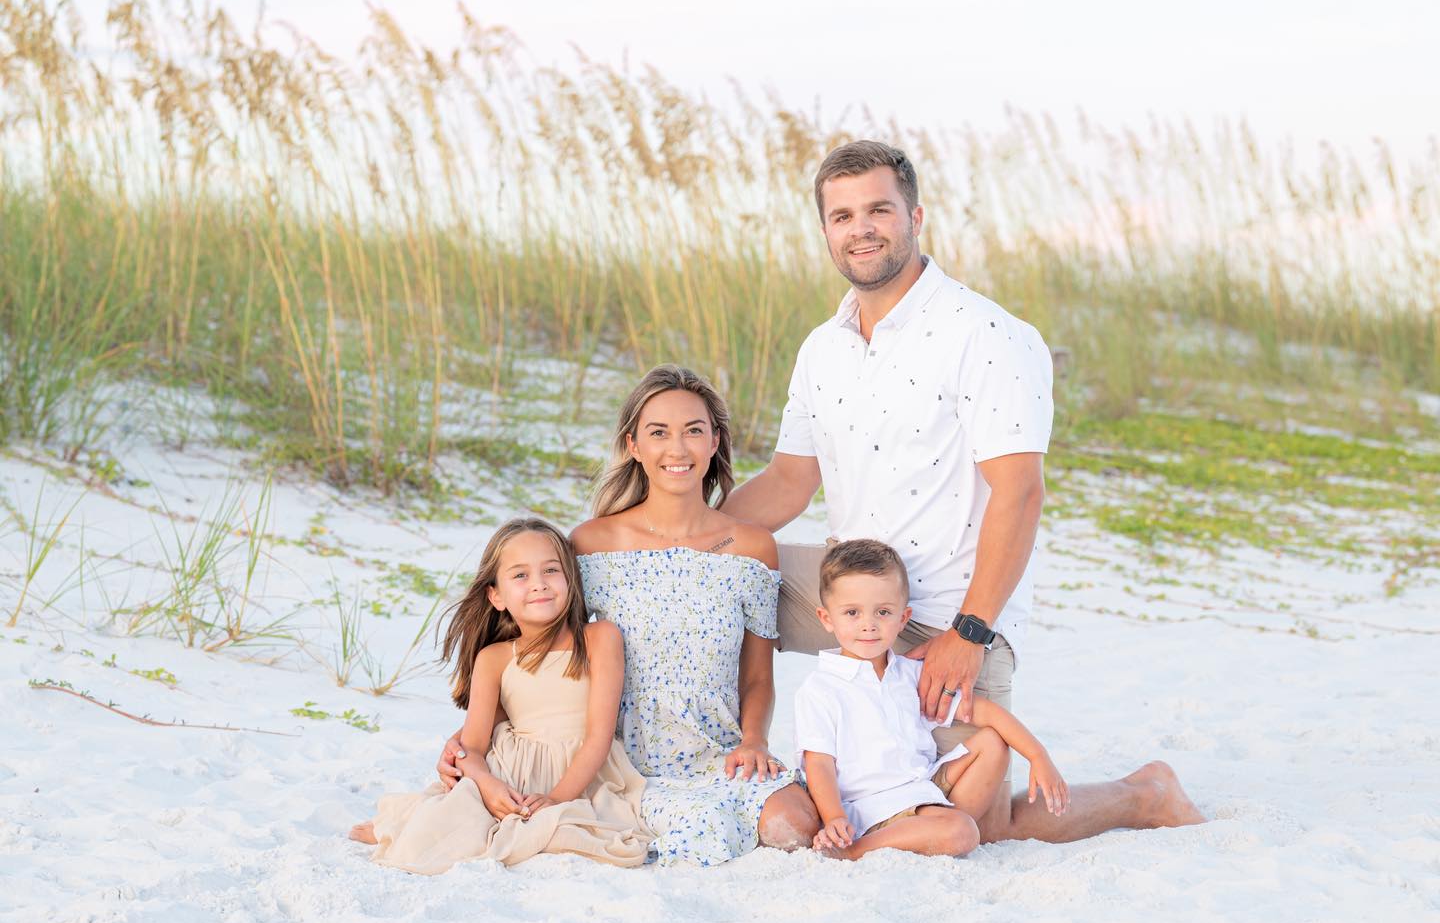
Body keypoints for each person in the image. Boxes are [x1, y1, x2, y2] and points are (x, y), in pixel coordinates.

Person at [723, 139, 1204, 842]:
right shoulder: (822, 349)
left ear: (916, 217)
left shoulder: (986, 334)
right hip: (849, 595)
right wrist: (664, 534)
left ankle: (1146, 795)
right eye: (843, 215)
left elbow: (1020, 493)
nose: (862, 228)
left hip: (952, 613)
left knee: (982, 825)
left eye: (879, 209)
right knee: (713, 570)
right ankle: (705, 752)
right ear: (825, 229)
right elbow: (789, 483)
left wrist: (969, 634)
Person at [439, 366, 821, 865]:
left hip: (717, 750)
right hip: (617, 762)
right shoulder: (592, 543)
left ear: (715, 441)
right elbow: (539, 650)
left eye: (693, 431)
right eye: (658, 432)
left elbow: (756, 677)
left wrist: (753, 741)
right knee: (701, 835)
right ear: (633, 445)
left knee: (793, 824)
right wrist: (470, 737)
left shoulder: (752, 548)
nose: (677, 449)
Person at [349, 518, 653, 873]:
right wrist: (490, 786)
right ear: (496, 595)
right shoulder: (494, 658)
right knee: (445, 823)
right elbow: (473, 748)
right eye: (520, 575)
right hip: (509, 773)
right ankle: (399, 825)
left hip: (581, 777)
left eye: (551, 570)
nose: (539, 584)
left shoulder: (600, 638)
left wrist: (556, 799)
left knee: (568, 835)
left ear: (571, 580)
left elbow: (599, 738)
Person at [796, 539, 1069, 861]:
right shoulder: (821, 689)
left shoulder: (910, 675)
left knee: (993, 743)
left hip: (923, 787)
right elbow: (819, 765)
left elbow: (985, 713)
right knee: (963, 831)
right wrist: (834, 818)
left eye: (883, 612)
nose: (868, 624)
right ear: (827, 618)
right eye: (852, 613)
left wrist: (1038, 756)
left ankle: (938, 829)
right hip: (873, 807)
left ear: (903, 617)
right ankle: (857, 851)